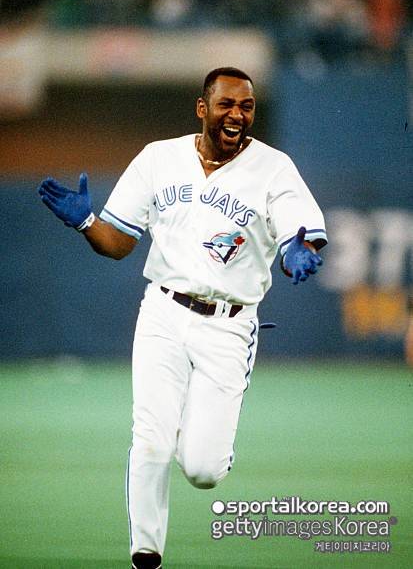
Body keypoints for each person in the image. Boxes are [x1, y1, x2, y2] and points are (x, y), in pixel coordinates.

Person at [38, 66, 327, 569]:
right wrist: (86, 222)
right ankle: (146, 553)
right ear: (202, 108)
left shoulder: (273, 168)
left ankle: (211, 444)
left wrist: (296, 252)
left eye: (246, 106)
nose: (237, 114)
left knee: (202, 469)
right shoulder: (159, 158)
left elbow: (297, 234)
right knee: (151, 438)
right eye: (226, 104)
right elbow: (119, 242)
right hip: (164, 312)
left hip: (230, 324)